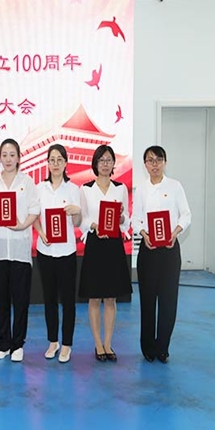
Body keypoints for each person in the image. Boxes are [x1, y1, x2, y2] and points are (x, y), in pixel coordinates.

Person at [133, 146, 191, 363]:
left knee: (168, 300)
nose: (155, 164)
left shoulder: (175, 186)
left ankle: (163, 347)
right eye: (150, 160)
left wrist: (175, 232)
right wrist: (143, 233)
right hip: (148, 250)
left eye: (158, 159)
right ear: (145, 165)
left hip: (169, 250)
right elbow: (136, 218)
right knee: (147, 300)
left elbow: (186, 214)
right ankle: (148, 347)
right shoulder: (141, 189)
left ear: (165, 162)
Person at [0, 139, 39, 363]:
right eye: (4, 155)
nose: (8, 159)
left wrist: (23, 225)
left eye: (12, 155)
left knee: (21, 299)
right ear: (0, 158)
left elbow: (35, 209)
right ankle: (3, 343)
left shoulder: (27, 182)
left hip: (20, 249)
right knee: (0, 299)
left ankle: (18, 344)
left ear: (18, 158)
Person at [78, 144, 132, 362]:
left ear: (113, 164)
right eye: (101, 160)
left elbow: (126, 220)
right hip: (95, 243)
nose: (105, 164)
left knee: (110, 297)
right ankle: (97, 344)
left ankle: (108, 343)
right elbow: (82, 219)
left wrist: (121, 217)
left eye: (109, 160)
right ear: (95, 163)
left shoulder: (120, 189)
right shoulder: (86, 189)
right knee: (94, 297)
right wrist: (94, 226)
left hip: (113, 245)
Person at [33, 144, 81, 363]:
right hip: (45, 251)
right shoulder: (39, 189)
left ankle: (67, 344)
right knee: (49, 299)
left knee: (68, 300)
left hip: (67, 252)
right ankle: (52, 341)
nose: (55, 164)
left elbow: (77, 223)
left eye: (59, 160)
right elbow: (34, 216)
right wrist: (41, 233)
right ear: (47, 163)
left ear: (65, 163)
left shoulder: (73, 189)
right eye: (52, 160)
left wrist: (77, 211)